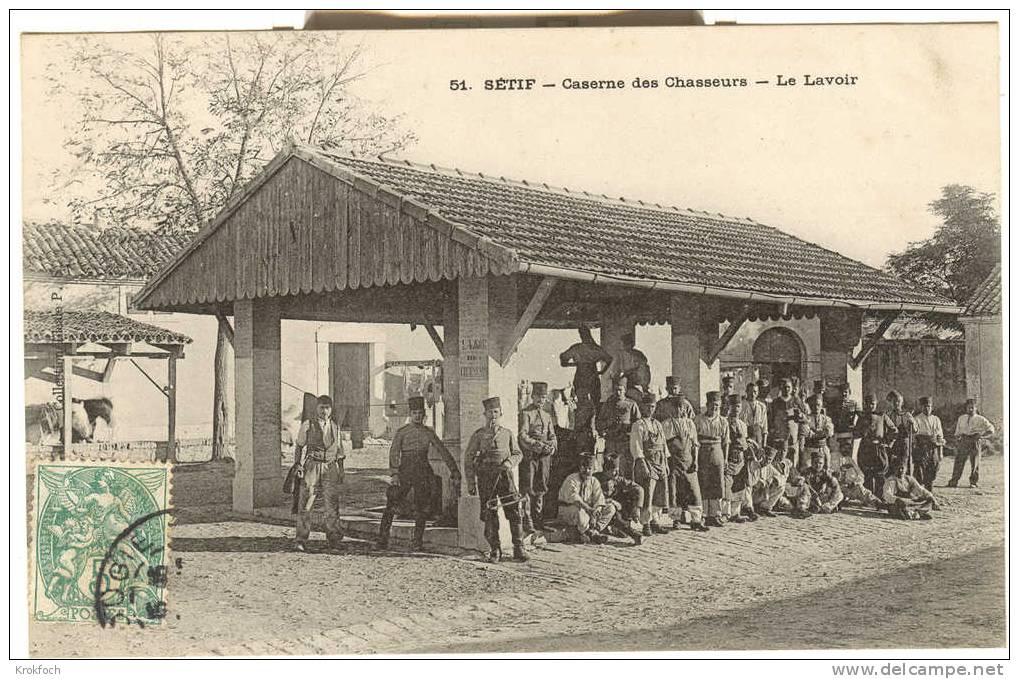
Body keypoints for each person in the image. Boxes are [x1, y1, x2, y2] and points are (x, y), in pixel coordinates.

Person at [378, 396, 461, 551]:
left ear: (424, 415)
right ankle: (382, 538)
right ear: (410, 414)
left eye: (420, 413)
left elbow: (443, 451)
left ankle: (417, 541)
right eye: (414, 413)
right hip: (405, 471)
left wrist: (454, 470)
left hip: (423, 471)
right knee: (392, 503)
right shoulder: (402, 432)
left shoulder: (428, 432)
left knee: (422, 507)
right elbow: (394, 453)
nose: (417, 416)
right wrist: (394, 474)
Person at [465, 397, 528, 563]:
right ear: (484, 414)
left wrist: (509, 462)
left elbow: (518, 453)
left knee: (514, 509)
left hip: (505, 476)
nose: (493, 416)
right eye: (489, 413)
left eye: (496, 412)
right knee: (490, 512)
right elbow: (468, 459)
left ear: (501, 413)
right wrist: (471, 483)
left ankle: (518, 547)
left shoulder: (507, 433)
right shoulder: (479, 435)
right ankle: (495, 549)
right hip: (486, 477)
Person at [294, 395, 345, 552]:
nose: (324, 411)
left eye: (327, 408)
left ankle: (333, 538)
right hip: (312, 466)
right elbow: (299, 446)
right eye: (321, 407)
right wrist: (298, 465)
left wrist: (341, 469)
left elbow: (339, 450)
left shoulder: (336, 427)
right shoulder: (308, 425)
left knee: (332, 505)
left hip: (331, 467)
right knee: (306, 503)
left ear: (331, 410)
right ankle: (301, 539)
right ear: (316, 408)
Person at [559, 455, 642, 545]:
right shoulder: (572, 479)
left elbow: (599, 499)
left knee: (611, 508)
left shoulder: (594, 481)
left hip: (590, 512)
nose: (587, 471)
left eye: (589, 469)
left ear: (593, 469)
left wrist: (596, 511)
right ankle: (591, 534)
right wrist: (591, 511)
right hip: (570, 510)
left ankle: (593, 531)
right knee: (579, 513)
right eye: (584, 468)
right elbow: (575, 499)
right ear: (580, 468)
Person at [660, 401, 708, 531]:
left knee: (693, 491)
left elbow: (695, 444)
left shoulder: (689, 423)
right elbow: (663, 446)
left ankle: (696, 520)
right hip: (674, 462)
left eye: (681, 407)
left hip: (689, 461)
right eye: (675, 407)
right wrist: (668, 461)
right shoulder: (666, 424)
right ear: (671, 409)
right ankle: (677, 519)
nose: (678, 410)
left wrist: (696, 461)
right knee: (675, 491)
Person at [629, 392, 672, 535]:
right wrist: (642, 464)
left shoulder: (657, 424)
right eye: (648, 407)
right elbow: (636, 446)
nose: (650, 409)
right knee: (648, 493)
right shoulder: (638, 425)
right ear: (642, 407)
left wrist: (665, 463)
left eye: (653, 407)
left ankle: (655, 520)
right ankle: (645, 523)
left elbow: (664, 444)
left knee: (660, 492)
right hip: (647, 462)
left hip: (660, 462)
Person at [518, 382, 557, 533]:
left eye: (544, 397)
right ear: (532, 397)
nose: (541, 400)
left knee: (541, 488)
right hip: (531, 456)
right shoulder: (526, 413)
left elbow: (552, 435)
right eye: (539, 397)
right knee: (529, 488)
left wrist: (552, 446)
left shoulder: (547, 415)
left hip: (544, 457)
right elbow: (522, 435)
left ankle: (539, 521)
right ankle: (528, 522)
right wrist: (538, 446)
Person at [695, 391, 730, 527]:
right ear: (707, 405)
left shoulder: (723, 421)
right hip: (703, 452)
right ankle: (703, 514)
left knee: (717, 483)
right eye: (712, 405)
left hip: (717, 452)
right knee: (704, 482)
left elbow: (726, 442)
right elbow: (695, 440)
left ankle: (715, 514)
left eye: (717, 406)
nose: (715, 408)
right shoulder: (698, 420)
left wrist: (725, 458)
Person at [853, 393, 898, 498]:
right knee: (867, 473)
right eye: (868, 404)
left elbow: (894, 430)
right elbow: (856, 433)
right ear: (865, 404)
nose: (870, 406)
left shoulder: (882, 416)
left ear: (876, 404)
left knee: (880, 474)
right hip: (865, 448)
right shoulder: (862, 417)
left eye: (872, 404)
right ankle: (870, 498)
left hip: (879, 448)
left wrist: (888, 443)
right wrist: (860, 431)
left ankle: (880, 498)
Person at [751, 445, 811, 518]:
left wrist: (798, 479)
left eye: (784, 451)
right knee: (787, 506)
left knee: (803, 486)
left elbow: (791, 476)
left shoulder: (787, 463)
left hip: (782, 491)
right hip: (763, 493)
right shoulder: (768, 464)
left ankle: (801, 509)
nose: (782, 453)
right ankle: (762, 508)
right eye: (780, 451)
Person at [560, 326, 613, 407]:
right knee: (595, 401)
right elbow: (609, 359)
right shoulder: (595, 348)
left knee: (581, 402)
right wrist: (602, 372)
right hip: (592, 376)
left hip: (581, 376)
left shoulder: (577, 348)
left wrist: (574, 364)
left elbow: (563, 359)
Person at [596, 374, 641, 468]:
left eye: (620, 389)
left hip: (625, 442)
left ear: (625, 390)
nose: (618, 392)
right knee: (609, 466)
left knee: (626, 467)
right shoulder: (608, 404)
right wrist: (608, 423)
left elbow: (638, 423)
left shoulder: (631, 404)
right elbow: (599, 423)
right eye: (616, 389)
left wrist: (627, 427)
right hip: (611, 441)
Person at [949, 399, 996, 488]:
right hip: (964, 441)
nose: (970, 410)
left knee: (975, 462)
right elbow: (958, 432)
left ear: (975, 408)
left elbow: (991, 429)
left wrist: (981, 436)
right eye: (968, 408)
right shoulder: (961, 418)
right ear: (966, 408)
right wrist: (957, 440)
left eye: (972, 408)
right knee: (959, 461)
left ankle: (973, 482)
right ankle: (954, 481)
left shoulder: (980, 419)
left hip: (975, 441)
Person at [767, 378, 809, 468]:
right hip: (780, 436)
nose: (786, 389)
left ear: (792, 388)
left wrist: (800, 416)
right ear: (780, 388)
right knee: (779, 461)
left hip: (793, 436)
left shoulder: (796, 400)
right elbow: (771, 418)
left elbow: (805, 417)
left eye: (788, 387)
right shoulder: (775, 402)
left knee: (794, 461)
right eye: (784, 387)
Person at [595, 457, 645, 531]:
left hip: (615, 508)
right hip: (600, 509)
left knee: (630, 496)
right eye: (614, 471)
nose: (616, 473)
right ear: (606, 470)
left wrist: (637, 508)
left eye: (617, 471)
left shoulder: (618, 479)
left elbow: (639, 489)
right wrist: (611, 501)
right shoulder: (596, 479)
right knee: (614, 512)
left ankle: (618, 527)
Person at [832, 443, 883, 509]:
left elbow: (861, 475)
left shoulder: (850, 460)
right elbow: (830, 473)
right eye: (844, 448)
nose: (846, 450)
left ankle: (878, 503)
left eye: (849, 448)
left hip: (852, 486)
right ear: (840, 448)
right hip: (839, 485)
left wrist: (855, 483)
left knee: (862, 490)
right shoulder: (833, 457)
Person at [724, 395, 750, 523]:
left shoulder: (743, 425)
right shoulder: (724, 422)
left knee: (739, 485)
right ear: (729, 407)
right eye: (733, 406)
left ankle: (735, 513)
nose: (736, 409)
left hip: (740, 458)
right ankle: (725, 513)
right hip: (729, 456)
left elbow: (744, 441)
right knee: (727, 485)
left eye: (738, 406)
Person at [912, 396, 945, 491]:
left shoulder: (936, 419)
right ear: (921, 407)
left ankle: (929, 492)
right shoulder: (917, 419)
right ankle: (919, 492)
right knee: (920, 470)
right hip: (922, 448)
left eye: (929, 406)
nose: (927, 408)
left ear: (932, 407)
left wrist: (940, 452)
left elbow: (940, 436)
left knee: (933, 469)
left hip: (933, 448)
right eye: (925, 406)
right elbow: (915, 435)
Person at [827, 382, 860, 464]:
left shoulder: (854, 404)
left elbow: (861, 416)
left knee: (847, 456)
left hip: (847, 434)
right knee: (835, 456)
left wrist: (857, 429)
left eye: (846, 392)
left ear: (850, 392)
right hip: (836, 434)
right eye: (842, 392)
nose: (844, 394)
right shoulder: (834, 404)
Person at [885, 390, 916, 475]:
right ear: (891, 403)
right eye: (894, 402)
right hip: (892, 442)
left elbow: (914, 430)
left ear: (902, 403)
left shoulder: (907, 415)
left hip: (904, 443)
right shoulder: (888, 414)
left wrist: (912, 423)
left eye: (898, 401)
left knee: (904, 463)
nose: (896, 404)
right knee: (892, 464)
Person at [801, 394, 835, 472]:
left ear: (821, 405)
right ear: (810, 406)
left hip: (823, 449)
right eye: (813, 405)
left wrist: (814, 433)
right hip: (810, 449)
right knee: (807, 469)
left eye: (818, 405)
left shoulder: (826, 419)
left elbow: (829, 432)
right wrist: (822, 433)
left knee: (827, 469)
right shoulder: (806, 419)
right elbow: (806, 433)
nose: (816, 407)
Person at [615, 333, 651, 401]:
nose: (622, 346)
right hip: (626, 385)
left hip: (638, 384)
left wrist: (644, 387)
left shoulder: (638, 355)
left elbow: (643, 372)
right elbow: (618, 371)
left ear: (630, 344)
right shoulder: (621, 355)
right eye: (622, 344)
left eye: (624, 344)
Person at [739, 382, 768, 447]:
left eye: (755, 392)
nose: (752, 394)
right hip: (746, 435)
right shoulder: (742, 405)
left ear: (758, 393)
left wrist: (764, 444)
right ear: (746, 392)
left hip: (758, 436)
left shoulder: (762, 406)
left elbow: (765, 427)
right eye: (750, 391)